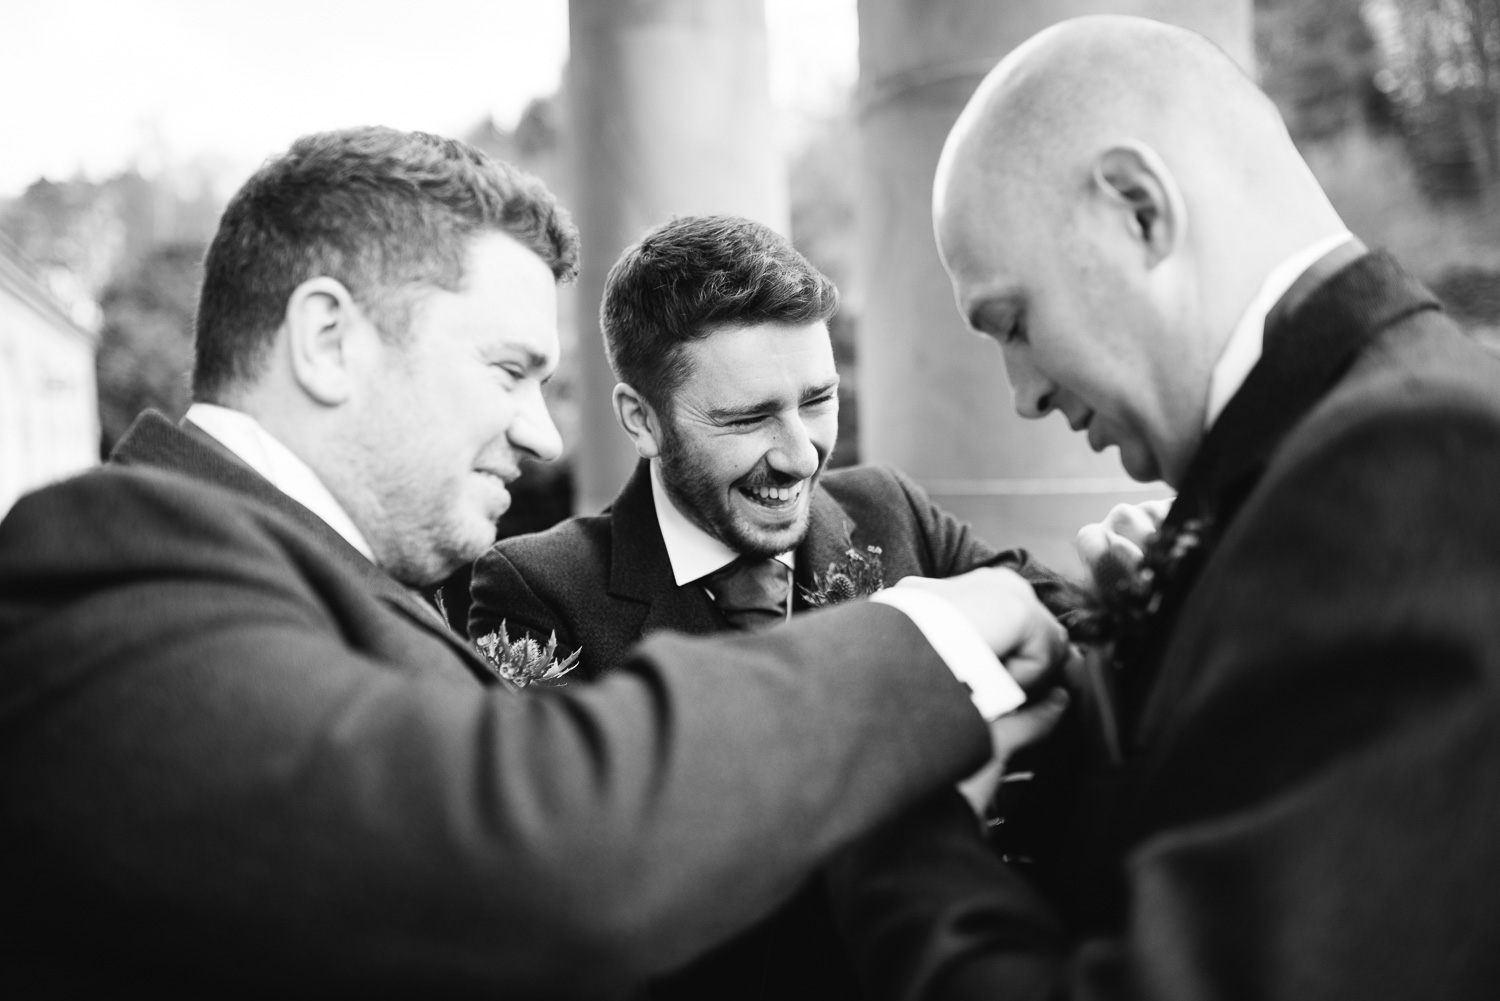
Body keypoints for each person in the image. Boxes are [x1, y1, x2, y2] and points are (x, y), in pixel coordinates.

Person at [0, 127, 1073, 996]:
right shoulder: (107, 573)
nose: (543, 436)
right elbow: (536, 848)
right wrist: (927, 639)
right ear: (328, 339)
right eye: (509, 371)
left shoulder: (311, 584)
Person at [827, 15, 1500, 1001]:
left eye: (1015, 321)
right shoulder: (1302, 471)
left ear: (1140, 210)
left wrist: (904, 832)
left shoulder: (1410, 468)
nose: (1023, 393)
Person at [468, 213, 1075, 1000]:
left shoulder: (890, 508)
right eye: (748, 417)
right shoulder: (536, 587)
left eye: (818, 400)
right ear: (641, 419)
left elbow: (1067, 629)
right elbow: (567, 880)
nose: (800, 454)